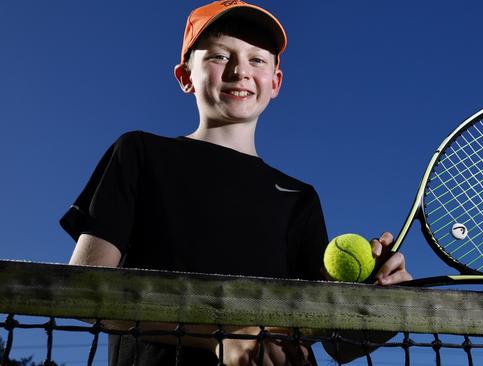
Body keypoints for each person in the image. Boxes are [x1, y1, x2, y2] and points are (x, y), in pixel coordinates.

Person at [60, 1, 412, 364]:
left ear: (274, 83)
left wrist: (380, 304)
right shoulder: (140, 153)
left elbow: (336, 342)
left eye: (257, 60)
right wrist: (219, 337)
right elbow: (83, 294)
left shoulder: (299, 198)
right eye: (217, 56)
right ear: (185, 77)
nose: (239, 70)